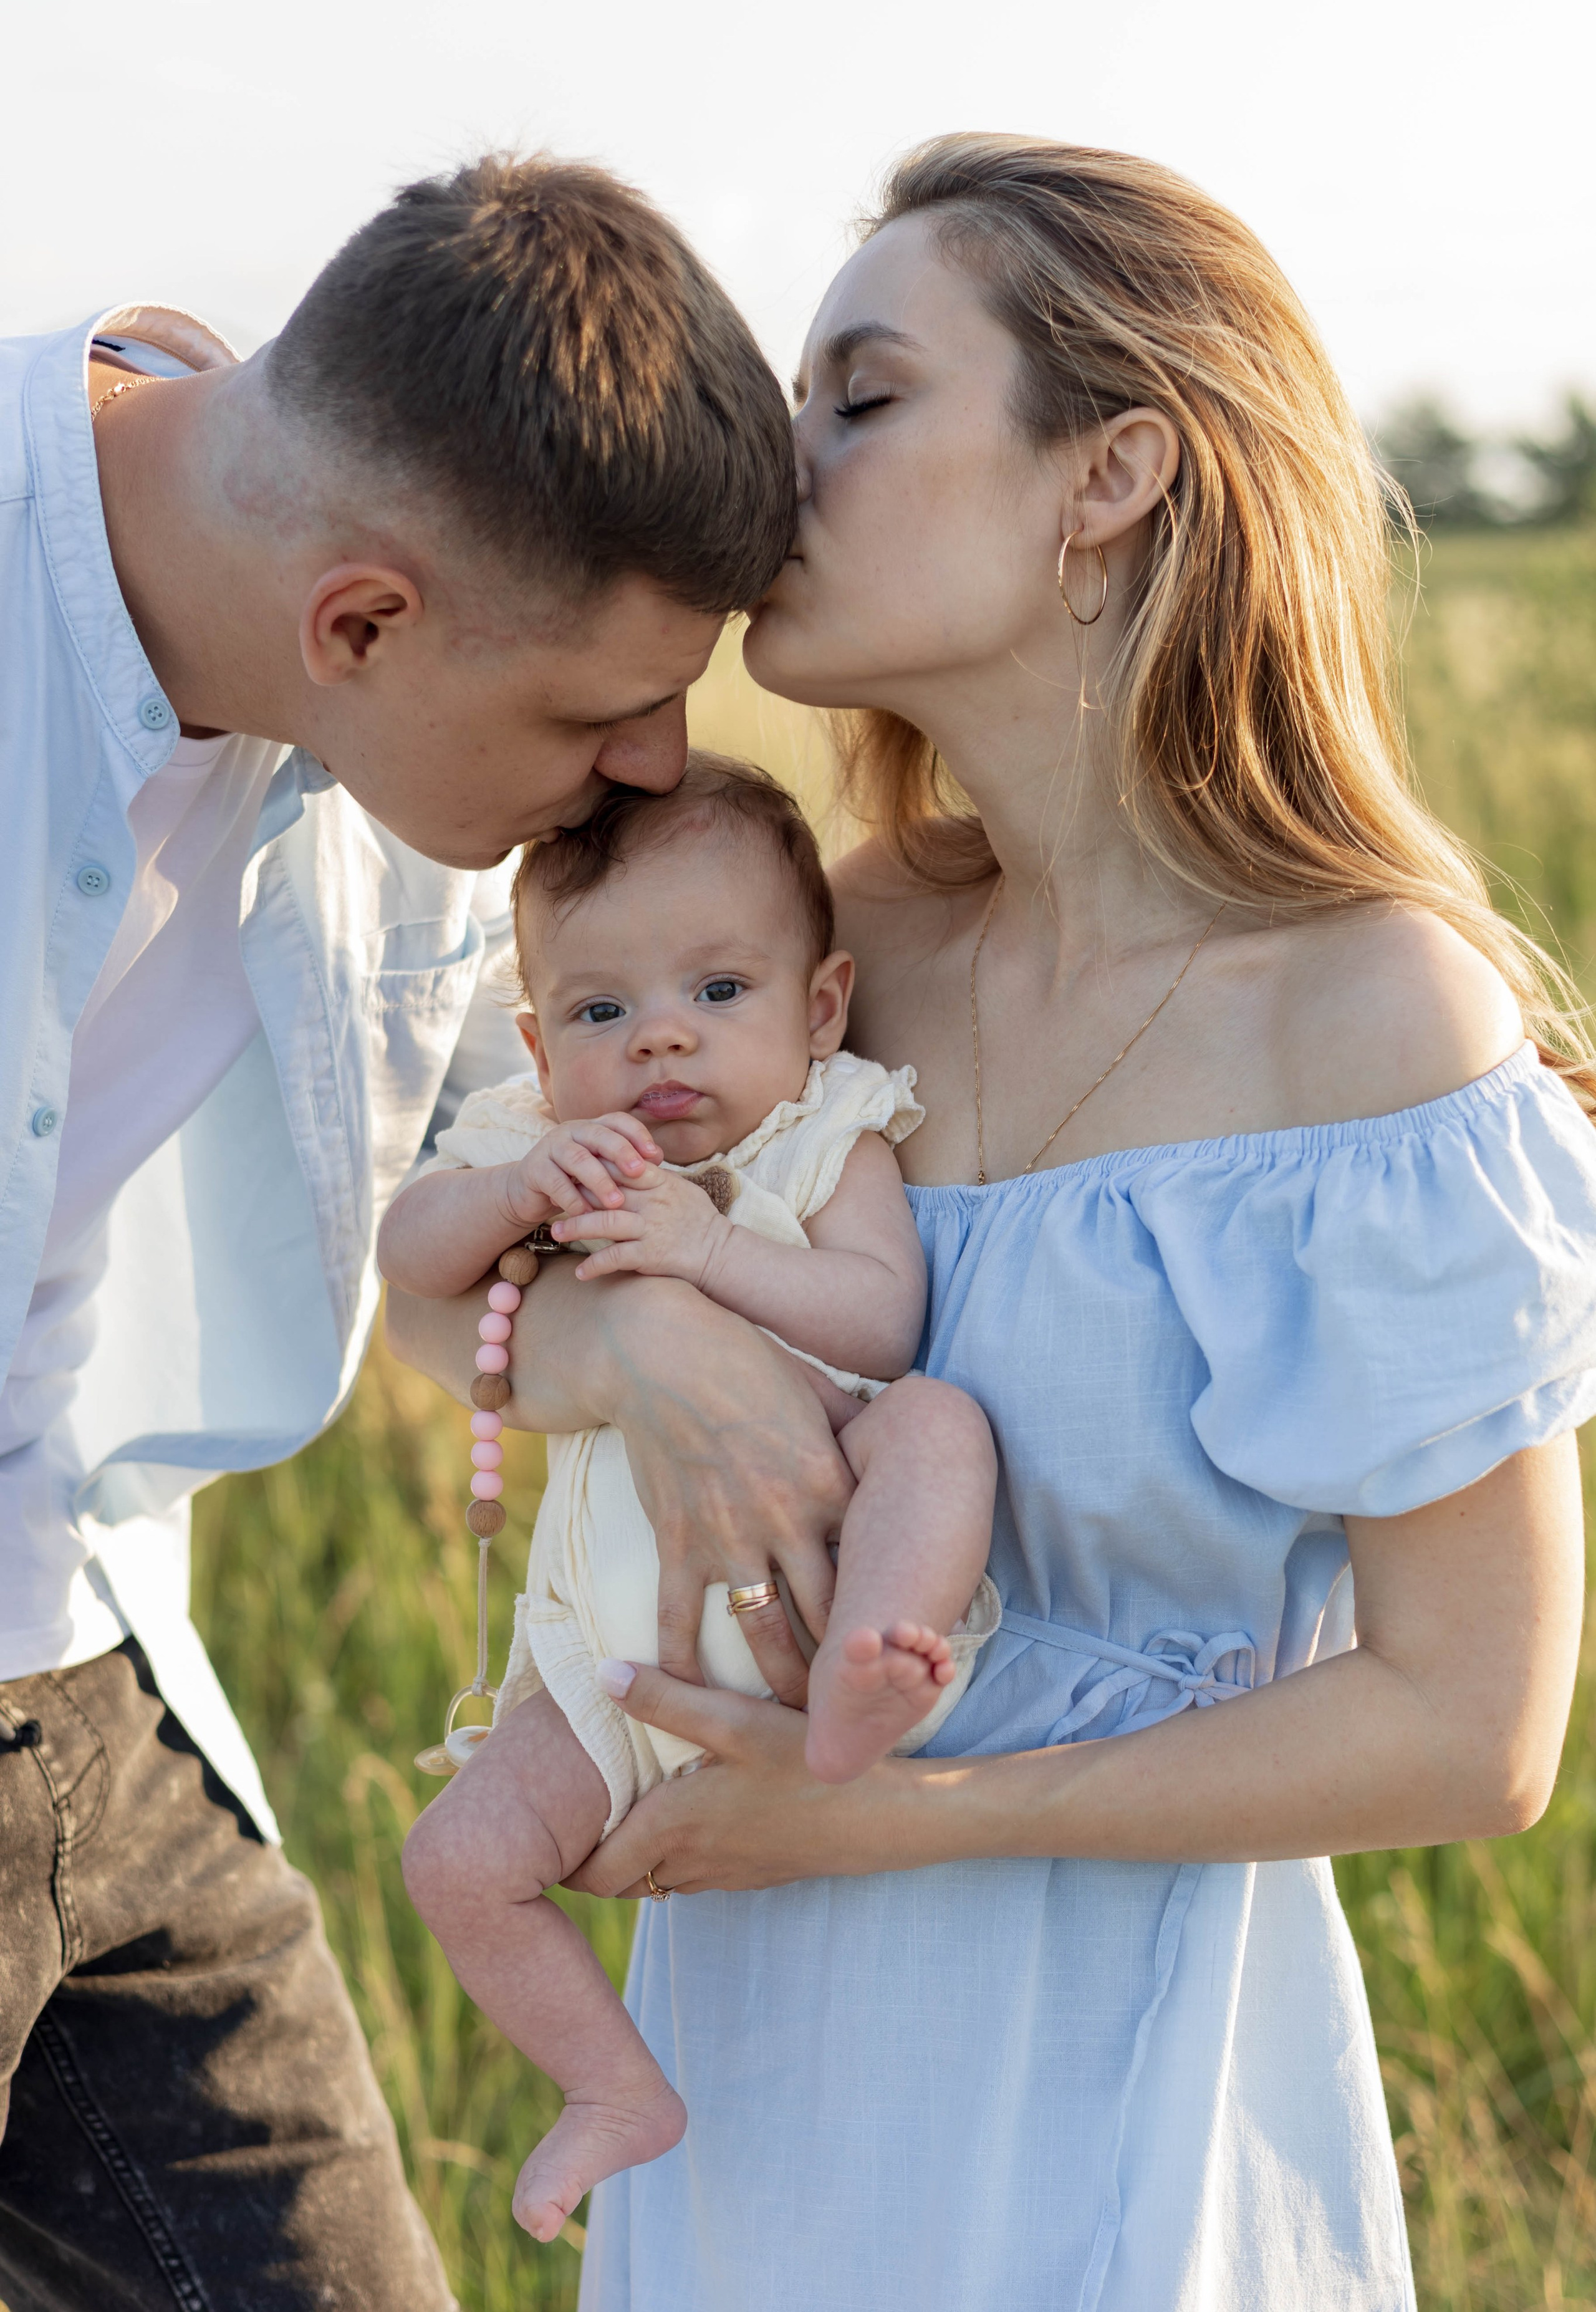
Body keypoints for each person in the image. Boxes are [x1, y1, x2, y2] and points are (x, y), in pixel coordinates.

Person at [387, 135, 1596, 2311]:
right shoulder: (815, 957)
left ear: (1108, 473)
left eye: (864, 395)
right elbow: (447, 1313)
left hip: (1107, 2077)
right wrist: (646, 1346)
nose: (782, 458)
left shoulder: (1370, 1011)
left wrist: (905, 1810)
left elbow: (1475, 1729)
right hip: (745, 2060)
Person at [0, 155, 794, 2309]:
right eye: (595, 715)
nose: (653, 769)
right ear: (358, 617)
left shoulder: (425, 752)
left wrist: (662, 1347)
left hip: (102, 1687)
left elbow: (464, 1252)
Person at [382, 751, 998, 2241]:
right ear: (539, 1042)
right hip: (618, 1669)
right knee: (454, 1861)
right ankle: (611, 2089)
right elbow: (412, 1257)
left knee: (935, 1423)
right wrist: (519, 1192)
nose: (661, 1037)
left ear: (821, 1009)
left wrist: (709, 1255)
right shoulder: (540, 1145)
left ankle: (867, 1668)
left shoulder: (826, 1127)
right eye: (601, 1012)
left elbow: (880, 1315)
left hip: (829, 1532)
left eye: (718, 993)